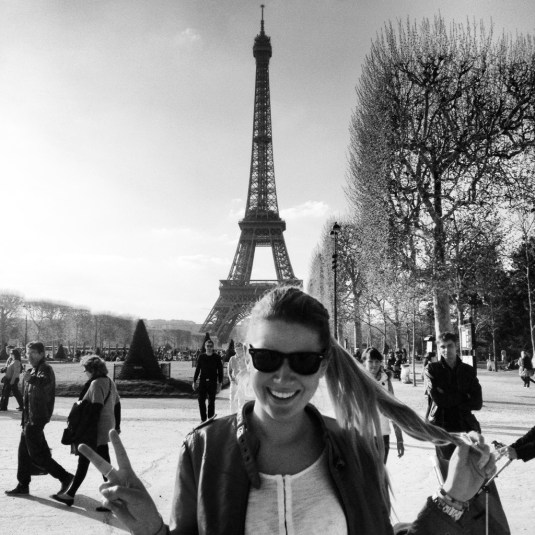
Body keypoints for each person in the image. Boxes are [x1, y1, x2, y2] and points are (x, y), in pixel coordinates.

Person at [80, 287, 496, 535]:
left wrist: (453, 499)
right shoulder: (202, 450)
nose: (283, 376)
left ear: (324, 365)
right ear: (247, 358)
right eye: (267, 358)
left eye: (303, 361)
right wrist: (153, 530)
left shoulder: (356, 449)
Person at [5, 341, 73, 496]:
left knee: (37, 454)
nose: (30, 356)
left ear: (42, 354)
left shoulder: (45, 369)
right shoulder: (33, 370)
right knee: (23, 452)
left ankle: (65, 477)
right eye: (28, 353)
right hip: (29, 418)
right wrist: (24, 419)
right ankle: (23, 485)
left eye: (34, 353)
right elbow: (28, 399)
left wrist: (31, 379)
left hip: (37, 418)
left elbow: (44, 381)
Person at [52, 355, 121, 508]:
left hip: (95, 430)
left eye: (86, 370)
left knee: (90, 463)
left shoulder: (96, 383)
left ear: (92, 370)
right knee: (101, 464)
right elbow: (117, 404)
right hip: (106, 427)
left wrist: (85, 431)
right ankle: (111, 497)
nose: (85, 373)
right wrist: (117, 425)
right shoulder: (110, 382)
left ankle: (72, 495)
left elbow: (96, 407)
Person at [425, 332, 482, 461]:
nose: (446, 350)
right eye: (443, 347)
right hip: (441, 426)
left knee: (467, 466)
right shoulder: (432, 369)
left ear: (456, 346)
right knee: (447, 466)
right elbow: (439, 400)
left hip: (465, 425)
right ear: (438, 349)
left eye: (450, 345)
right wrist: (465, 396)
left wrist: (447, 393)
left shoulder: (468, 370)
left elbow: (477, 403)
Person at [361, 347, 404, 463]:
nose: (374, 365)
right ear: (364, 362)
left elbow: (393, 410)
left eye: (377, 361)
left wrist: (399, 439)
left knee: (380, 472)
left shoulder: (386, 381)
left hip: (382, 435)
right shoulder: (357, 380)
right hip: (362, 436)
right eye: (370, 361)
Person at [192, 340, 223, 421]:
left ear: (213, 347)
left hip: (212, 382)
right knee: (201, 401)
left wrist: (220, 383)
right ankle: (203, 419)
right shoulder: (201, 357)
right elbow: (197, 369)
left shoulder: (217, 357)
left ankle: (210, 418)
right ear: (205, 347)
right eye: (207, 346)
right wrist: (194, 381)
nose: (209, 348)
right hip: (203, 381)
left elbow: (220, 371)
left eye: (210, 346)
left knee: (211, 401)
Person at [228, 342, 247, 414]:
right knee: (232, 399)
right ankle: (232, 414)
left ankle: (240, 415)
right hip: (234, 382)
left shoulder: (245, 359)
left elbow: (248, 370)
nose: (238, 350)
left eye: (240, 349)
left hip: (242, 382)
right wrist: (231, 379)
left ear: (242, 350)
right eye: (237, 349)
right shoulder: (232, 358)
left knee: (241, 400)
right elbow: (229, 370)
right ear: (235, 350)